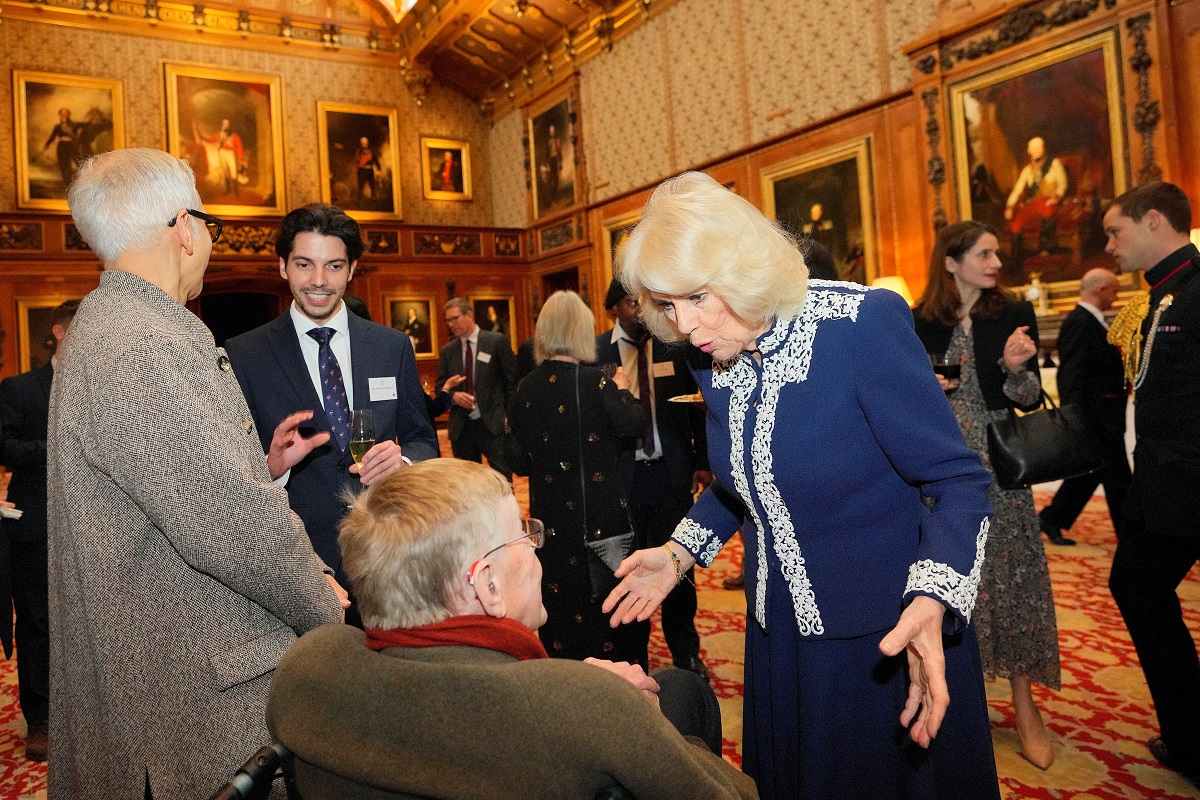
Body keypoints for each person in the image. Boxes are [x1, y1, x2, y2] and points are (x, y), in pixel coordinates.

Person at [603, 172, 999, 800]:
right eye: (668, 306)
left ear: (742, 270)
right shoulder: (712, 352)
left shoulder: (860, 325)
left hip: (884, 637)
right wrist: (680, 554)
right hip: (776, 640)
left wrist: (933, 600)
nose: (687, 325)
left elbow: (957, 480)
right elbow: (746, 481)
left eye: (697, 298)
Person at [50, 148, 346, 799]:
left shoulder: (111, 327)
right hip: (189, 709)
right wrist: (327, 609)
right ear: (184, 226)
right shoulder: (148, 342)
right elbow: (234, 528)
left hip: (152, 687)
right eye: (208, 224)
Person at [267, 458, 757, 799]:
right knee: (680, 692)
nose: (536, 543)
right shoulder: (589, 709)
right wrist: (635, 715)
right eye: (523, 532)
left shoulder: (306, 675)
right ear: (488, 586)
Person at [225, 204, 437, 626]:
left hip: (389, 551)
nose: (319, 281)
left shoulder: (391, 346)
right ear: (282, 267)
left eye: (333, 266)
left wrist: (404, 461)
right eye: (304, 264)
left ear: (352, 268)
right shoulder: (243, 355)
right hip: (299, 563)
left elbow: (422, 439)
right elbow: (229, 477)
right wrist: (271, 467)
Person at [913, 219, 1060, 770]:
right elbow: (907, 404)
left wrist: (1015, 368)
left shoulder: (1014, 315)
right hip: (940, 468)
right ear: (951, 262)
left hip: (1000, 470)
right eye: (985, 253)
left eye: (998, 252)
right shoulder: (917, 323)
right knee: (950, 582)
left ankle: (1025, 706)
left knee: (1015, 581)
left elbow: (1026, 400)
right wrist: (927, 388)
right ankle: (952, 695)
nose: (997, 262)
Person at [1103, 180, 1200, 788]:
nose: (1109, 245)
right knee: (1137, 586)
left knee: (1137, 586)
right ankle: (1191, 735)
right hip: (1161, 483)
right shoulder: (1160, 298)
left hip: (1188, 481)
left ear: (1155, 220)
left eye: (1116, 231)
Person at [507, 290, 652, 666]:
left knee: (560, 611)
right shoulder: (597, 384)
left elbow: (517, 460)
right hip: (602, 527)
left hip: (551, 526)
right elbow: (635, 423)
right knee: (613, 617)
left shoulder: (524, 389)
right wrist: (622, 389)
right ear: (582, 332)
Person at [596, 278, 712, 677]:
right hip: (622, 481)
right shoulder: (597, 354)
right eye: (632, 304)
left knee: (679, 567)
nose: (640, 312)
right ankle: (634, 656)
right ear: (614, 309)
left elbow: (696, 407)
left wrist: (701, 459)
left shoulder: (671, 347)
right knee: (628, 568)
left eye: (644, 304)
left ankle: (685, 650)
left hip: (670, 475)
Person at [0, 299, 77, 762]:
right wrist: (60, 448)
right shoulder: (21, 388)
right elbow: (4, 446)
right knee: (38, 626)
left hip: (95, 527)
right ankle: (42, 720)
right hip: (35, 527)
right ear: (60, 333)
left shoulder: (100, 388)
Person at [1038, 267, 1130, 545]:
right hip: (1095, 418)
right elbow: (1072, 376)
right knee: (1118, 478)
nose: (1116, 296)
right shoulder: (1080, 322)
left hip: (1102, 416)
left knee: (1092, 474)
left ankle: (1052, 518)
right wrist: (1076, 419)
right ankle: (1133, 536)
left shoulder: (1091, 321)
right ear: (1101, 290)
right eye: (1114, 290)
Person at [436, 298, 517, 479]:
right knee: (468, 484)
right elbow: (440, 386)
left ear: (469, 315)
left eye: (455, 318)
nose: (451, 324)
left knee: (501, 481)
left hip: (493, 424)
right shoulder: (448, 351)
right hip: (462, 428)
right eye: (448, 320)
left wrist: (508, 417)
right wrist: (454, 396)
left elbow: (512, 382)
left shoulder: (496, 342)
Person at [1005, 136, 1069, 265]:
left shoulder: (1054, 164)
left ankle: (1045, 250)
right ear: (1029, 151)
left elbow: (1063, 184)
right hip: (1034, 203)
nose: (1037, 150)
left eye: (1039, 147)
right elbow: (1017, 190)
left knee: (1048, 208)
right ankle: (1016, 258)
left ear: (1043, 149)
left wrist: (1056, 197)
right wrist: (1010, 206)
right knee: (1017, 220)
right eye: (1034, 148)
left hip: (1051, 201)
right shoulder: (1027, 170)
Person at [195, 118, 246, 197]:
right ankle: (228, 190)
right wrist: (201, 136)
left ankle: (236, 191)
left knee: (233, 171)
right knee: (225, 171)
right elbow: (210, 140)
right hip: (222, 153)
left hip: (230, 153)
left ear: (229, 125)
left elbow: (239, 145)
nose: (225, 125)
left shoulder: (233, 135)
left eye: (226, 124)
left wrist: (240, 157)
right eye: (224, 124)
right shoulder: (220, 134)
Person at [39, 107, 81, 186]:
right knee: (63, 165)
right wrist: (47, 145)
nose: (64, 115)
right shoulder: (57, 127)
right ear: (60, 115)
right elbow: (52, 137)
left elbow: (77, 136)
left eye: (65, 113)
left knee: (75, 164)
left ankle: (76, 183)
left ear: (68, 115)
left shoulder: (74, 125)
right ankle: (67, 183)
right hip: (61, 147)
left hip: (71, 147)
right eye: (62, 113)